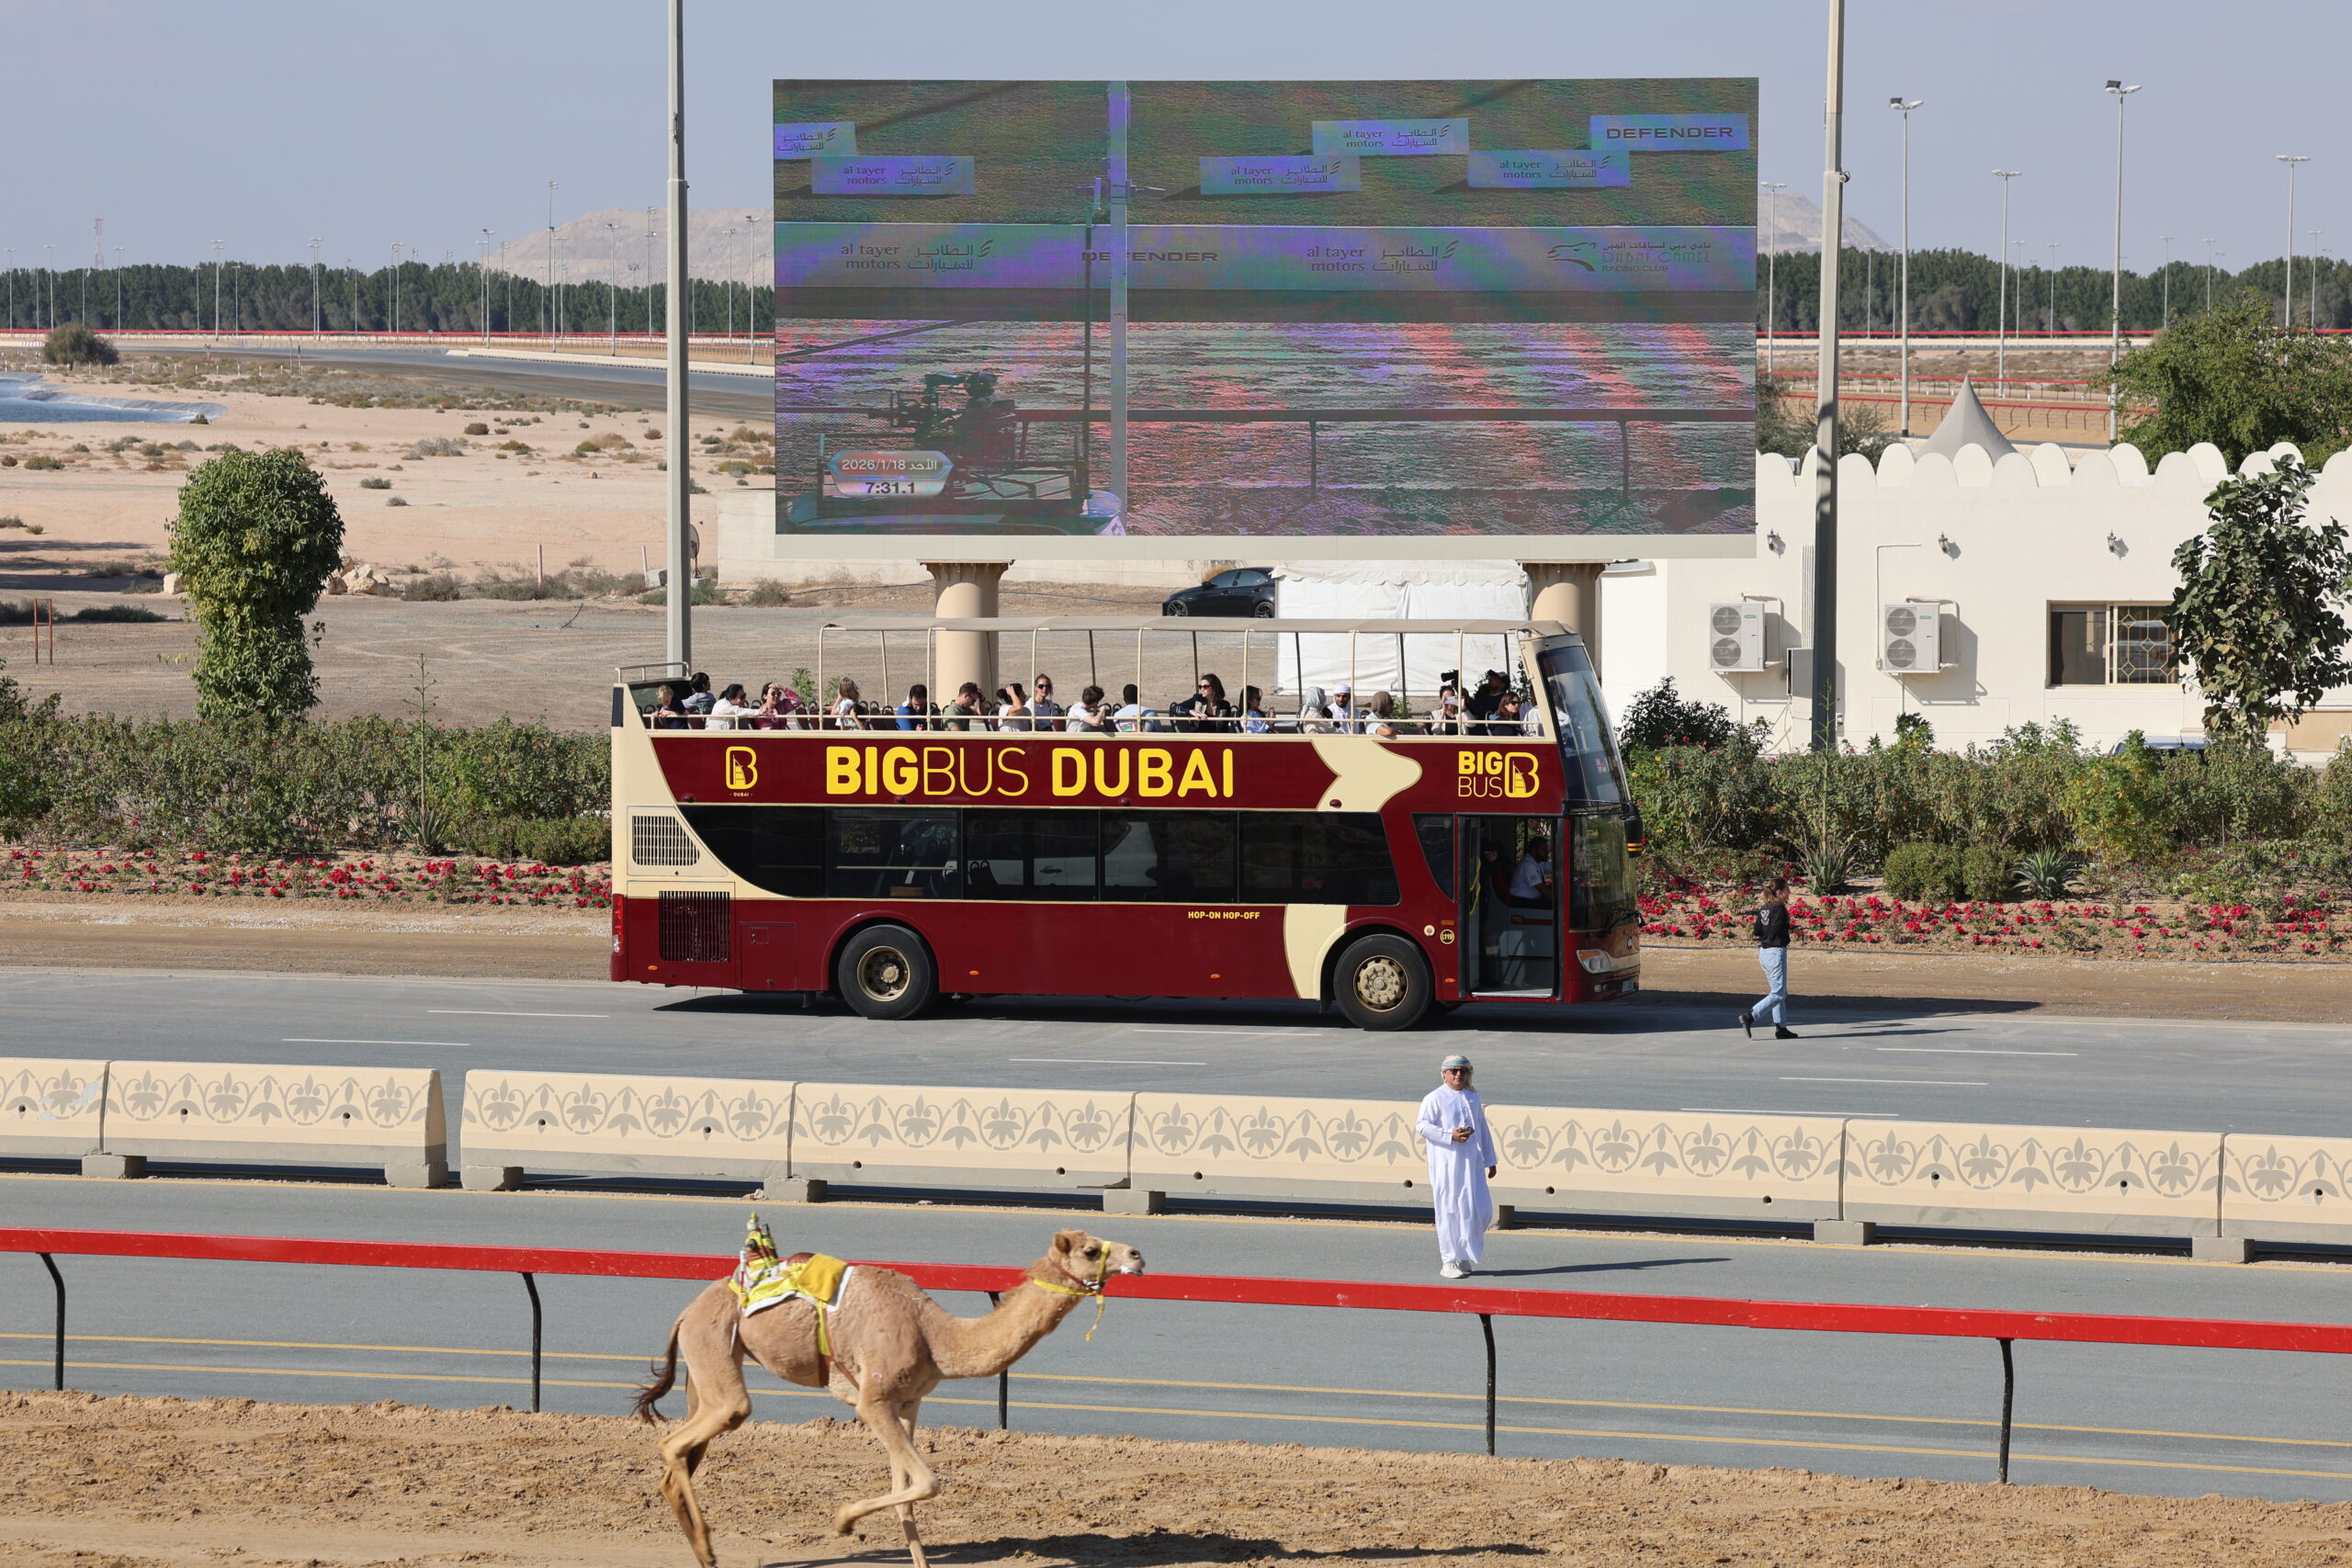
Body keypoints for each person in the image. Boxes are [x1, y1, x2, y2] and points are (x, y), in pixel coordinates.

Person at [1416, 1055, 1497, 1280]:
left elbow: (1482, 1129)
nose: (1458, 1075)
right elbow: (1421, 1125)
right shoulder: (1435, 1098)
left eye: (1463, 1070)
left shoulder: (1472, 1097)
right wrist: (1448, 1135)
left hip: (1472, 1164)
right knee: (1450, 1210)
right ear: (1444, 1074)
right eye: (1453, 1071)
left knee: (1479, 1209)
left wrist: (1490, 1160)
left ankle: (1462, 1254)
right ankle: (1449, 1260)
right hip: (1447, 1164)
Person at [1739, 877, 1798, 1039]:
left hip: (1764, 952)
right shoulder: (1779, 908)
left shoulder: (1765, 907)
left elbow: (1758, 930)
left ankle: (1781, 1028)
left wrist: (1774, 932)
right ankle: (1750, 1016)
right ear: (1779, 892)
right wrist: (1788, 932)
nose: (1789, 893)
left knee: (1778, 992)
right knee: (1778, 994)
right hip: (1775, 952)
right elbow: (1776, 929)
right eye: (1787, 889)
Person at [1170, 672, 1234, 733]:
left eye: (1205, 686)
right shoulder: (1197, 699)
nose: (1202, 689)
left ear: (1214, 688)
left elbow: (1224, 729)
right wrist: (1192, 712)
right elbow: (1174, 708)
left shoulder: (1225, 705)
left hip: (1216, 740)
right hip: (1197, 738)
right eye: (1200, 687)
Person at [1508, 833, 1553, 908]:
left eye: (1547, 849)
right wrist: (1557, 901)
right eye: (1543, 849)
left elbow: (1553, 867)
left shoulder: (1536, 862)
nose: (1547, 852)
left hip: (1530, 901)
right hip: (1522, 903)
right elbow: (1540, 887)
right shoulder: (1528, 865)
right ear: (1534, 851)